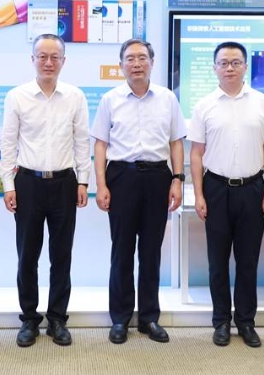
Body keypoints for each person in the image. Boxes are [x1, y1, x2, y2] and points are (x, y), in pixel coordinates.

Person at [91, 38, 186, 345]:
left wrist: (177, 179)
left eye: (142, 58)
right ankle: (120, 319)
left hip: (158, 176)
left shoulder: (167, 98)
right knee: (121, 251)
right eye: (130, 58)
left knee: (151, 251)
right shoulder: (110, 99)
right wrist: (101, 185)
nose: (136, 63)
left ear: (152, 63)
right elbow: (100, 145)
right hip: (122, 177)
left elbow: (176, 142)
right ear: (121, 65)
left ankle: (149, 318)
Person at [0, 33, 90, 348]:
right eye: (42, 56)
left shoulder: (75, 96)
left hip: (65, 183)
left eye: (55, 57)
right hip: (27, 183)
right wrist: (8, 186)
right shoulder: (17, 96)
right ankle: (29, 319)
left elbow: (82, 142)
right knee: (27, 256)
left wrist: (83, 181)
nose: (48, 62)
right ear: (33, 59)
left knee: (61, 255)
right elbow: (8, 144)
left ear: (63, 61)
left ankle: (57, 319)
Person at [188, 41, 264, 348]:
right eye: (224, 63)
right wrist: (199, 194)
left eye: (236, 62)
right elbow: (196, 153)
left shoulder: (262, 102)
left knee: (248, 260)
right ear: (214, 68)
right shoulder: (204, 105)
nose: (230, 68)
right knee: (217, 261)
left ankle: (246, 322)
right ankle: (221, 322)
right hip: (215, 188)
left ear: (245, 66)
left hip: (253, 188)